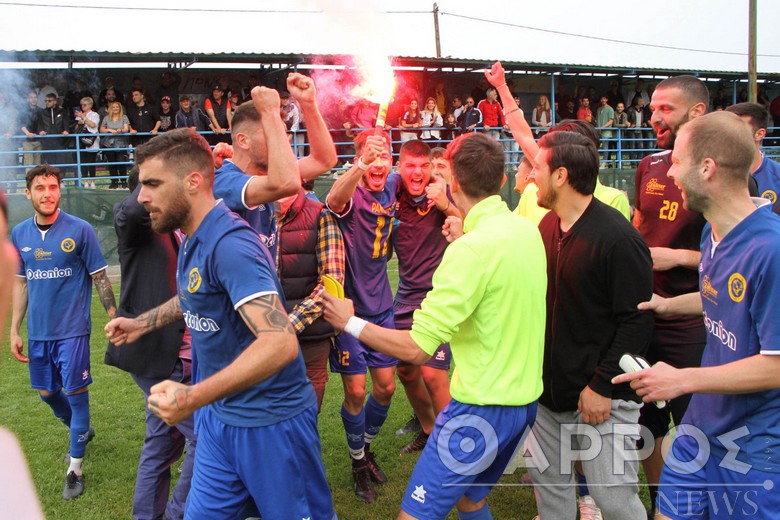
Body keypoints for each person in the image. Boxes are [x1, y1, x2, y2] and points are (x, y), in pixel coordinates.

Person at [103, 128, 335, 520]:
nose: (141, 198)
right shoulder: (195, 236)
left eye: (152, 184)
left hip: (270, 424)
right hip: (219, 420)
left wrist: (192, 398)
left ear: (193, 182)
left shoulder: (231, 245)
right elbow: (199, 293)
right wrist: (143, 323)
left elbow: (279, 342)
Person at [323, 132, 547, 519]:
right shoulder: (526, 231)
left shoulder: (469, 250)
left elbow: (416, 348)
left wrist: (349, 322)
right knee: (470, 500)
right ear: (504, 180)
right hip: (525, 406)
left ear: (453, 181)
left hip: (477, 411)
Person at [614, 111, 780, 519]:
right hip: (698, 432)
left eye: (676, 160)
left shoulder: (770, 251)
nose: (668, 172)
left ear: (707, 168)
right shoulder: (712, 230)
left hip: (754, 446)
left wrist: (681, 379)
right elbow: (724, 300)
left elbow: (776, 366)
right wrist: (667, 305)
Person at [526, 130, 654, 520]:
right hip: (547, 396)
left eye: (537, 167)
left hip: (602, 399)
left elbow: (637, 321)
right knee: (552, 496)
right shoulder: (548, 225)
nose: (531, 175)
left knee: (613, 500)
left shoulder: (618, 238)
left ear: (561, 176)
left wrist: (600, 386)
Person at [10, 164, 117, 500]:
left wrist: (114, 316)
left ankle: (75, 469)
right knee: (46, 393)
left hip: (73, 331)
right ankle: (80, 430)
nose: (47, 194)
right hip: (38, 332)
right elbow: (21, 285)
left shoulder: (81, 230)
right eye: (40, 188)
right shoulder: (20, 234)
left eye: (53, 187)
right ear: (28, 194)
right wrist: (14, 328)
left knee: (75, 393)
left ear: (59, 191)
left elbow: (100, 276)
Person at [632, 74, 709, 517]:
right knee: (646, 424)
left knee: (698, 425)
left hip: (693, 322)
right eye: (653, 108)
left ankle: (703, 504)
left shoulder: (720, 174)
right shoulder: (650, 164)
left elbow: (736, 260)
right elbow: (640, 229)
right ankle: (665, 503)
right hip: (646, 315)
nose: (655, 116)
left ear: (697, 112)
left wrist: (678, 257)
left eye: (666, 109)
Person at [104, 167, 196, 520]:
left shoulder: (174, 227)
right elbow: (127, 214)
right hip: (158, 356)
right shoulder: (136, 227)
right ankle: (176, 514)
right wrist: (152, 172)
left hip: (180, 353)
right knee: (206, 439)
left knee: (160, 444)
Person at [325, 129, 399, 503]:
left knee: (386, 387)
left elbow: (428, 175)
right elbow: (333, 198)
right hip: (348, 310)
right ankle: (357, 464)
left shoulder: (394, 185)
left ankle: (365, 449)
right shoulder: (352, 193)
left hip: (382, 308)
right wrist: (360, 164)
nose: (379, 163)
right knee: (356, 390)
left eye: (385, 156)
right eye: (372, 157)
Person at [213, 72, 337, 262]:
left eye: (282, 133)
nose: (283, 143)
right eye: (273, 132)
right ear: (243, 141)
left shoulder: (269, 175)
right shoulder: (222, 181)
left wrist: (308, 104)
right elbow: (285, 184)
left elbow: (324, 160)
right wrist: (270, 111)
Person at [392, 140, 460, 456]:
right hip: (404, 297)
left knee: (433, 374)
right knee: (406, 371)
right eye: (411, 166)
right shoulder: (391, 195)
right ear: (400, 167)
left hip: (436, 297)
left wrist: (446, 205)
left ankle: (451, 447)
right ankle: (429, 429)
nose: (417, 172)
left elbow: (467, 221)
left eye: (423, 166)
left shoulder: (441, 193)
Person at [275, 181, 345, 411]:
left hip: (310, 338)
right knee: (268, 417)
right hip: (261, 336)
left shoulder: (320, 216)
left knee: (305, 416)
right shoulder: (254, 215)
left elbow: (331, 282)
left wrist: (288, 325)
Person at [725, 102, 780, 204]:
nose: (728, 134)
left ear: (759, 134)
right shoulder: (712, 175)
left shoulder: (777, 178)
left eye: (737, 128)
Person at [100, 101, 131, 190]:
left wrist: (120, 130)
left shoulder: (124, 117)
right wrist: (109, 130)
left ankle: (124, 182)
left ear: (120, 108)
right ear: (111, 108)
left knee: (121, 162)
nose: (115, 108)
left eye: (117, 107)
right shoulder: (106, 118)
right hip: (109, 144)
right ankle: (114, 182)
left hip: (121, 144)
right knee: (112, 163)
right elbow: (101, 129)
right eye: (113, 107)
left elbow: (126, 128)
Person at [73, 97, 100, 188]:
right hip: (81, 141)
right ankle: (85, 181)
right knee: (83, 162)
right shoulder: (80, 115)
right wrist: (78, 123)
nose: (83, 106)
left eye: (84, 105)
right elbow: (76, 130)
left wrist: (84, 117)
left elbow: (93, 125)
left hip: (91, 141)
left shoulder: (94, 114)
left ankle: (92, 181)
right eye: (81, 105)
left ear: (90, 105)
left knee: (91, 162)